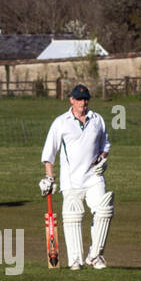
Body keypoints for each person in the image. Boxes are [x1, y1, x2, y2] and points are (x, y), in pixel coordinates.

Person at [39, 83, 112, 270]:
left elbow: (105, 146)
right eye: (79, 99)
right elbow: (49, 153)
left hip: (94, 177)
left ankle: (95, 256)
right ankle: (75, 260)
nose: (83, 102)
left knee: (104, 210)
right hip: (71, 180)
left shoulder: (97, 120)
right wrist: (49, 178)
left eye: (85, 98)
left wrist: (103, 160)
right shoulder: (61, 122)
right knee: (73, 217)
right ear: (71, 100)